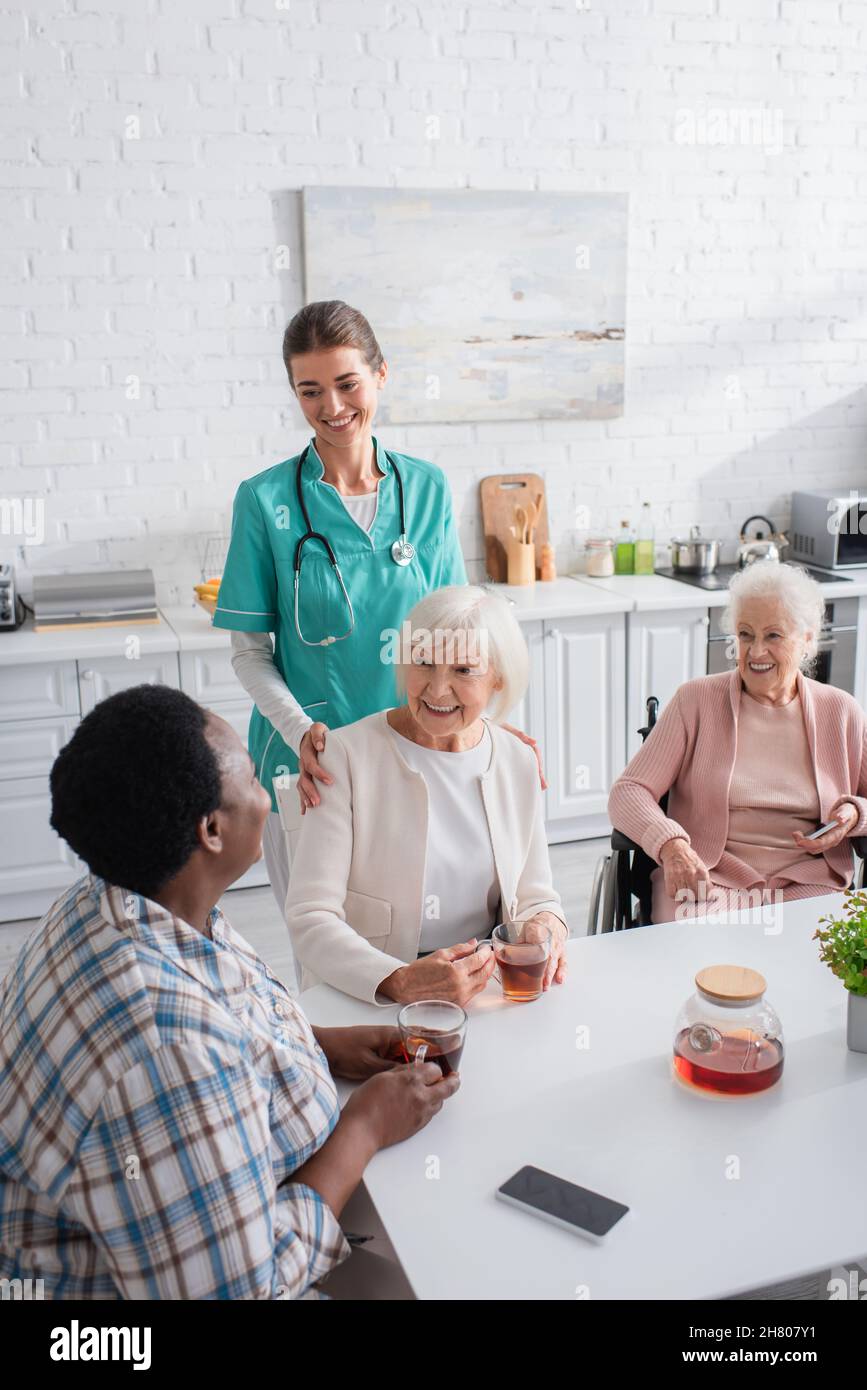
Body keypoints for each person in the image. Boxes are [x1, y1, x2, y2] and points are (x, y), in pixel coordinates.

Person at [0, 685, 458, 1300]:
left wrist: (318, 1044)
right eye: (251, 776)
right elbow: (240, 1290)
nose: (269, 793)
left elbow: (221, 1016)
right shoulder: (164, 1052)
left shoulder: (122, 901)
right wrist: (366, 1127)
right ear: (212, 830)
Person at [212, 300, 544, 944]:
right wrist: (302, 730)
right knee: (329, 945)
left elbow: (461, 629)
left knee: (428, 940)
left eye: (347, 383)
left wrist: (500, 729)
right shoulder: (265, 501)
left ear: (381, 375)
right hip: (315, 759)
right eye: (310, 391)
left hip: (420, 751)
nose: (332, 406)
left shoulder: (426, 489)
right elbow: (250, 652)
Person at [286, 585, 568, 1003]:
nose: (437, 691)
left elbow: (536, 894)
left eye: (463, 670)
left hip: (485, 987)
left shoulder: (517, 760)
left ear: (498, 677)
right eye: (424, 662)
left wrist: (548, 925)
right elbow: (310, 918)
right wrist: (398, 980)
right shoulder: (343, 756)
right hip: (371, 995)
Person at [608, 562, 867, 922]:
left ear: (807, 639)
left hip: (810, 882)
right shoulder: (695, 701)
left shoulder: (841, 712)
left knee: (821, 964)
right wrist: (671, 845)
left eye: (773, 636)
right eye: (746, 635)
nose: (756, 652)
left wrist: (855, 813)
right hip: (708, 878)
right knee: (693, 963)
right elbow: (629, 790)